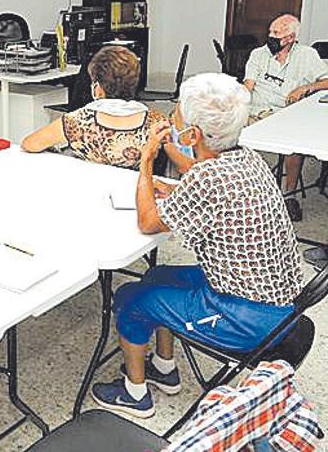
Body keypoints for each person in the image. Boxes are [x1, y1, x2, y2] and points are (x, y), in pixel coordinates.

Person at [91, 73, 304, 418]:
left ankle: (135, 396)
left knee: (131, 298)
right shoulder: (246, 158)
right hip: (276, 302)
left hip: (246, 318)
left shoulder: (206, 179)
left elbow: (147, 221)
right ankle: (164, 367)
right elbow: (210, 184)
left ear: (195, 134)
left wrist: (146, 163)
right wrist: (175, 176)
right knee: (157, 275)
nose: (173, 119)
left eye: (177, 116)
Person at [21, 46, 186, 171]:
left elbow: (30, 144)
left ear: (97, 87)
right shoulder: (157, 123)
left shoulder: (77, 121)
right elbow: (181, 165)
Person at [243, 14, 328, 221]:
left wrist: (307, 87)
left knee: (294, 145)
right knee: (226, 133)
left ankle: (289, 195)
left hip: (286, 113)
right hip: (256, 111)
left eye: (277, 34)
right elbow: (248, 85)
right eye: (270, 32)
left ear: (291, 37)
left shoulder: (307, 55)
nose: (271, 37)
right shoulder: (258, 54)